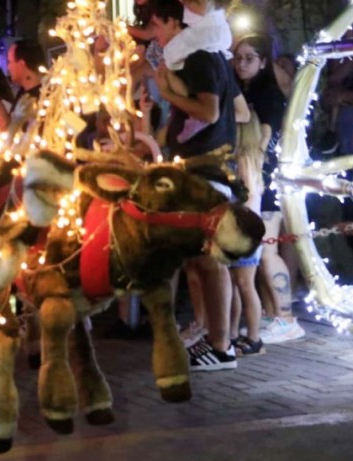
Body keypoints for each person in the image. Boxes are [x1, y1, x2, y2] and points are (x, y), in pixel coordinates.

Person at [151, 0, 245, 371]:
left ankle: (222, 345)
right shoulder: (201, 56)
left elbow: (210, 112)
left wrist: (167, 92)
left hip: (208, 172)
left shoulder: (202, 58)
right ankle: (215, 338)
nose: (156, 36)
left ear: (176, 24)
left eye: (157, 27)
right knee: (202, 262)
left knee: (210, 261)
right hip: (199, 170)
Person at [232, 34, 306, 344]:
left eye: (250, 58)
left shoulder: (268, 95)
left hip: (266, 179)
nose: (241, 64)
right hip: (255, 178)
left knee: (268, 250)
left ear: (264, 62)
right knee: (261, 251)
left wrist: (256, 170)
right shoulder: (250, 91)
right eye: (238, 58)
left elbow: (264, 138)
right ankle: (272, 314)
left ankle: (286, 318)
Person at [228, 111, 265, 355]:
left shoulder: (245, 160)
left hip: (245, 232)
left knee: (244, 284)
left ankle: (254, 336)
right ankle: (231, 333)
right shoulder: (246, 158)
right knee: (233, 284)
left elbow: (248, 198)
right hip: (239, 231)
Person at [5, 39, 45, 125]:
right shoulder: (22, 93)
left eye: (9, 62)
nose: (8, 68)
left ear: (21, 64)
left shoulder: (43, 97)